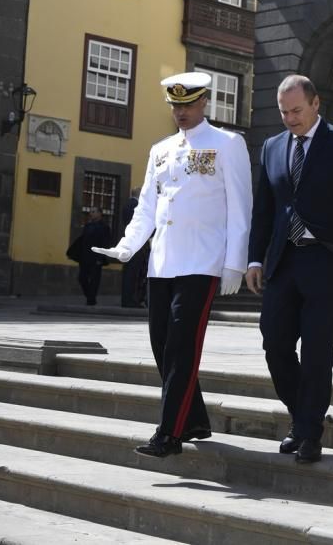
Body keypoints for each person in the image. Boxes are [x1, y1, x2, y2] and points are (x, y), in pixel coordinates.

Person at [93, 72, 252, 457]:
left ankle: (169, 434)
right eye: (175, 105)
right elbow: (148, 204)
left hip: (202, 259)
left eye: (188, 104)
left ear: (204, 103)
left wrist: (235, 261)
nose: (180, 112)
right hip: (162, 261)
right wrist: (128, 246)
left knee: (182, 346)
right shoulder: (161, 149)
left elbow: (240, 206)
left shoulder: (228, 144)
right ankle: (194, 418)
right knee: (161, 345)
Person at [246, 75, 333, 464]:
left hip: (328, 262)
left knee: (318, 352)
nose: (290, 118)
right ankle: (302, 418)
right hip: (283, 263)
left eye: (297, 111)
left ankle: (309, 434)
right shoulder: (271, 148)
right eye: (284, 111)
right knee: (274, 344)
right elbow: (264, 210)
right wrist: (256, 259)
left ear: (316, 104)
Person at [77, 207, 111, 306]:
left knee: (94, 279)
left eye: (93, 212)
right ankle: (89, 296)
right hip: (85, 257)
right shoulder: (87, 226)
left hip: (96, 257)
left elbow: (105, 243)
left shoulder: (105, 227)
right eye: (90, 212)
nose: (91, 214)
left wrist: (101, 257)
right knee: (82, 278)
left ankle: (91, 299)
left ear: (100, 213)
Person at [121, 187, 149, 308]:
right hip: (135, 244)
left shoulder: (128, 204)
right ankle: (130, 300)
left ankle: (127, 299)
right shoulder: (135, 205)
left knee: (130, 273)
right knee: (133, 273)